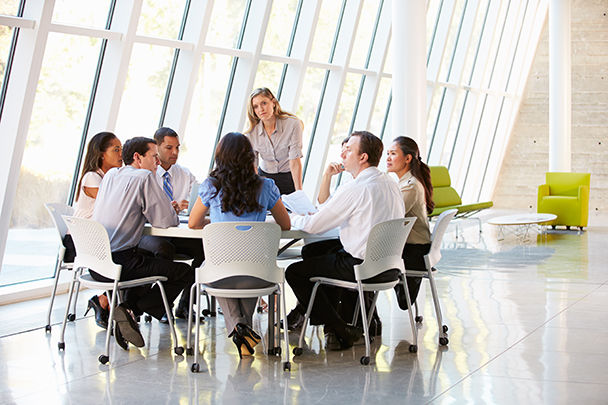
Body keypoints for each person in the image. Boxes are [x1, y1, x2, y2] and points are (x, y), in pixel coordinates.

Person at [285, 131, 405, 350]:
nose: (342, 152)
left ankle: (339, 327)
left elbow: (313, 226)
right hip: (389, 265)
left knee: (294, 272)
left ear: (363, 157)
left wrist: (289, 217)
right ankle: (333, 327)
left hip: (360, 267)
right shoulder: (389, 182)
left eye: (348, 149)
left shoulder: (356, 188)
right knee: (314, 252)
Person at [189, 132, 290, 358]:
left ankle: (239, 328)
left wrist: (216, 222)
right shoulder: (267, 185)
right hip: (259, 271)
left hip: (221, 271)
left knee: (216, 265)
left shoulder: (210, 186)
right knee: (249, 263)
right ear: (249, 157)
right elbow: (285, 223)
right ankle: (242, 331)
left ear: (220, 157)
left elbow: (193, 223)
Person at [92, 137, 193, 348]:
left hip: (96, 262)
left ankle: (128, 309)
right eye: (154, 156)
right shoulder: (145, 176)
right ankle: (131, 309)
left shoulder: (111, 174)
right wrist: (171, 209)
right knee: (185, 272)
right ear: (138, 157)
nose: (158, 161)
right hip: (121, 264)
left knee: (149, 256)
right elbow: (165, 221)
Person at [137, 127, 204, 322]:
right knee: (163, 250)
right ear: (156, 147)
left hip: (176, 231)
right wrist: (165, 209)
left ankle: (185, 304)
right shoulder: (144, 174)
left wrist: (190, 206)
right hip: (149, 233)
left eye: (177, 148)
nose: (174, 152)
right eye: (168, 148)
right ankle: (161, 305)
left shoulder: (184, 174)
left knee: (205, 248)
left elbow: (199, 199)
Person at [64, 131, 122, 330]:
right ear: (101, 154)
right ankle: (117, 307)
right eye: (116, 150)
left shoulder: (109, 177)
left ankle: (106, 302)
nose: (121, 154)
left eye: (121, 149)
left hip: (100, 240)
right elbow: (114, 204)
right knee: (127, 257)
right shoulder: (92, 177)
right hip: (82, 243)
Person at [386, 136, 434, 309]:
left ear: (408, 158)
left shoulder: (411, 185)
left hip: (414, 252)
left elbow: (391, 218)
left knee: (362, 261)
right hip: (411, 247)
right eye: (387, 154)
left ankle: (367, 318)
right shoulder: (404, 182)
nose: (388, 158)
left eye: (393, 153)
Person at [244, 87, 304, 195]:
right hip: (264, 179)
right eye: (255, 106)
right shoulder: (251, 133)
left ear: (273, 102)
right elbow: (253, 166)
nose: (261, 109)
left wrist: (299, 193)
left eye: (264, 103)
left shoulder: (293, 124)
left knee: (291, 211)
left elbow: (295, 161)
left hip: (288, 178)